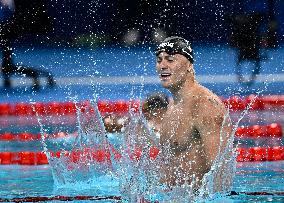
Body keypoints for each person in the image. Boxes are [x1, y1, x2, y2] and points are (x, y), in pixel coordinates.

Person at [155, 36, 233, 192]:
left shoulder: (205, 105)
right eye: (159, 60)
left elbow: (220, 172)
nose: (162, 65)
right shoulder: (173, 105)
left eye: (170, 60)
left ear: (189, 65)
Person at [0, 0, 55, 90]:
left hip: (31, 20)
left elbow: (7, 4)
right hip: (24, 19)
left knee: (3, 33)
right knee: (3, 33)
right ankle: (7, 66)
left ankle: (7, 66)